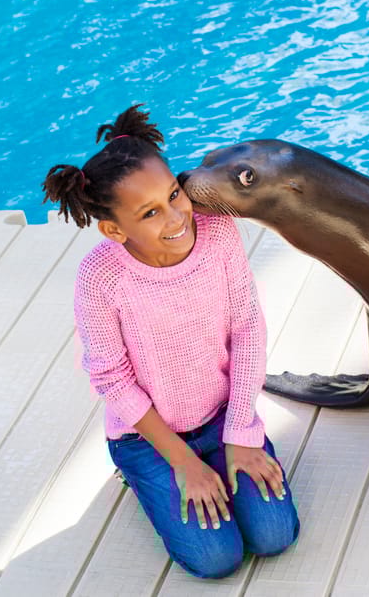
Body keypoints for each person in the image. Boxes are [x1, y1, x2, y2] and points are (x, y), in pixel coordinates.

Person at [41, 104, 299, 579]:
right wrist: (182, 461)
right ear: (115, 230)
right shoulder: (101, 277)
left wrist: (241, 433)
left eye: (174, 194)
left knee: (274, 535)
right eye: (150, 212)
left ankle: (218, 459)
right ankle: (140, 476)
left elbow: (246, 329)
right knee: (214, 560)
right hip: (148, 437)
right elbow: (110, 376)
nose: (176, 216)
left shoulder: (219, 235)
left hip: (224, 415)